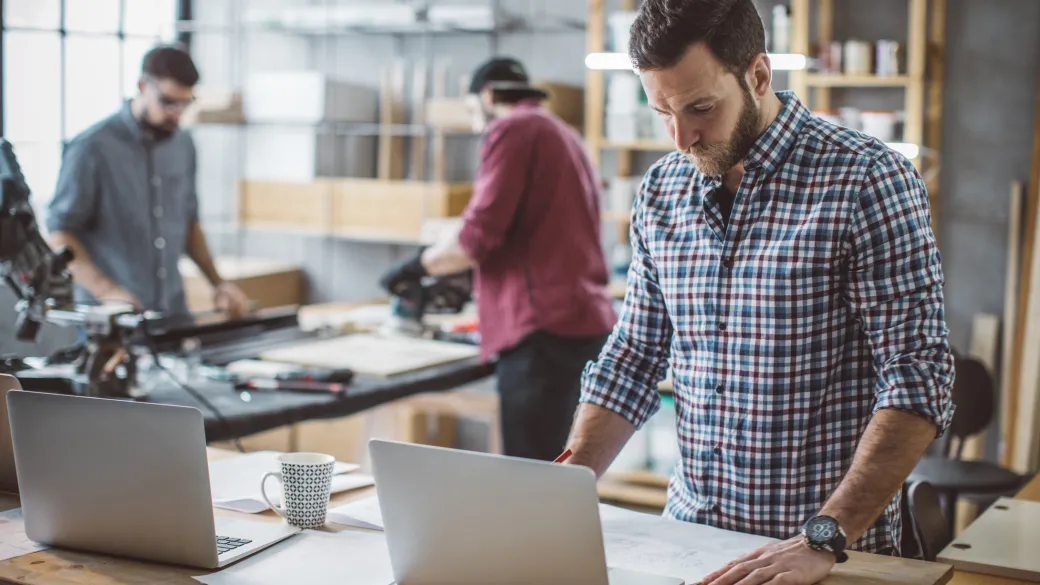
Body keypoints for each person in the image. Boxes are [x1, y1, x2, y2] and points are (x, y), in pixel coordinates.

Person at [563, 1, 955, 583]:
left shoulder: (866, 179)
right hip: (691, 543)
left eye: (701, 108)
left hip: (826, 553)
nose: (681, 138)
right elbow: (632, 358)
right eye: (662, 112)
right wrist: (560, 489)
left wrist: (825, 537)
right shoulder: (662, 192)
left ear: (759, 75)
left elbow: (918, 374)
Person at [380, 57, 617, 462]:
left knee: (528, 475)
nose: (476, 124)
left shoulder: (511, 129)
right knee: (562, 474)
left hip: (540, 333)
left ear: (488, 96)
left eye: (473, 111)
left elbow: (476, 238)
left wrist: (415, 267)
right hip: (581, 325)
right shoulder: (562, 132)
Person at [47, 44, 251, 324]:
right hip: (114, 323)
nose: (177, 114)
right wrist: (108, 291)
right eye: (168, 102)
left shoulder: (183, 144)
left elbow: (190, 223)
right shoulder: (92, 148)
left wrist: (218, 283)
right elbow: (60, 233)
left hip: (173, 315)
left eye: (185, 103)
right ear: (143, 86)